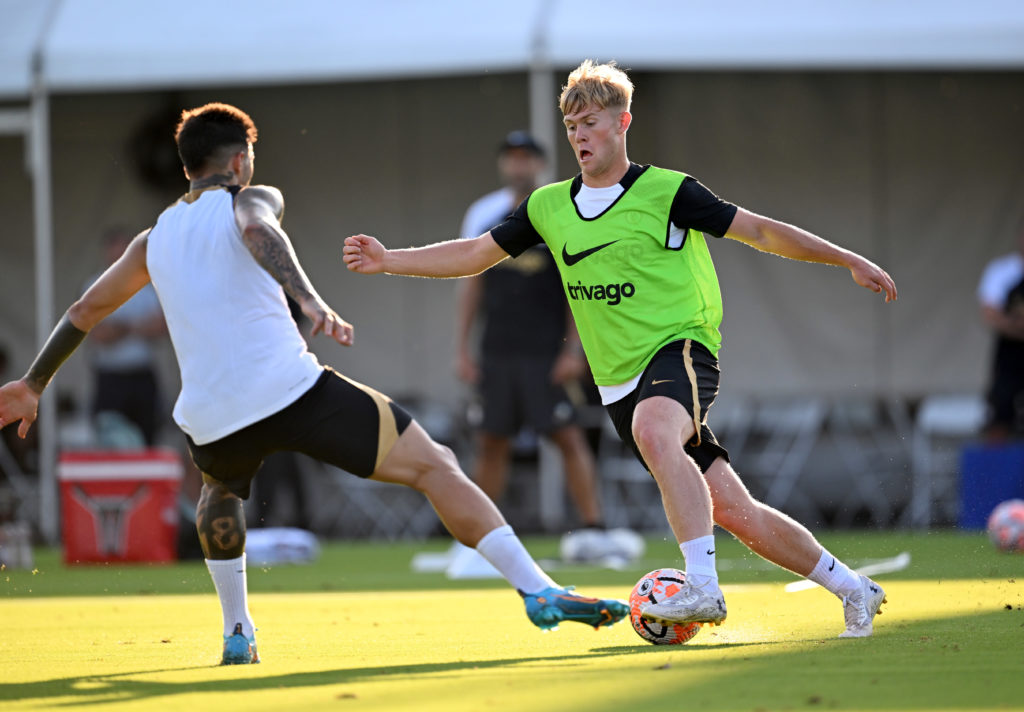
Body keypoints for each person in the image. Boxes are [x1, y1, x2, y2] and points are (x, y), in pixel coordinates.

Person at [0, 102, 628, 665]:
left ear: (184, 166)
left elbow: (84, 310)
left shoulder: (152, 238)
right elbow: (257, 229)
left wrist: (33, 381)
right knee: (434, 464)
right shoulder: (251, 195)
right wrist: (310, 299)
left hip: (212, 414)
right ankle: (538, 589)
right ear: (240, 159)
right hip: (290, 389)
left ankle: (237, 630)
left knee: (220, 491)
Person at [344, 60, 898, 638]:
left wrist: (848, 258)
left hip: (682, 347)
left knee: (656, 432)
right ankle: (855, 588)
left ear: (623, 123)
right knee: (734, 510)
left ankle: (703, 589)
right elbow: (473, 254)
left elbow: (758, 229)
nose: (579, 136)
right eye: (571, 126)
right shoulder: (549, 206)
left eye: (590, 123)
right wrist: (389, 261)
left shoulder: (668, 191)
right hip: (618, 380)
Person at [455, 130, 610, 557]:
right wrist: (462, 349)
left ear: (540, 164)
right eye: (511, 157)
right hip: (497, 349)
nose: (518, 165)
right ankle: (480, 538)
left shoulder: (562, 208)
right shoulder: (484, 213)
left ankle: (594, 527)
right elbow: (471, 283)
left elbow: (579, 286)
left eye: (526, 158)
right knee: (491, 440)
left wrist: (573, 350)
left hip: (547, 350)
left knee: (566, 435)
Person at [85, 227, 167, 446]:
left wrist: (120, 327)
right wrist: (137, 326)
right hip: (111, 376)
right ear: (107, 251)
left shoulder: (148, 285)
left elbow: (162, 327)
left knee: (147, 438)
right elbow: (99, 333)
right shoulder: (94, 287)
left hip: (141, 375)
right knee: (110, 441)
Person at [977, 220, 1024, 440]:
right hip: (1009, 355)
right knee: (1000, 413)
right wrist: (1014, 326)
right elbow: (990, 314)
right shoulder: (1003, 270)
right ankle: (995, 473)